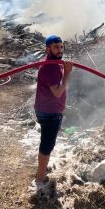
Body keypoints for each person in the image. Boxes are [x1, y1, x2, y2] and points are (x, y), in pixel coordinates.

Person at [33, 35, 73, 189]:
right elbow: (57, 92)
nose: (60, 50)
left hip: (48, 109)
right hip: (49, 112)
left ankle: (40, 172)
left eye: (61, 47)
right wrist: (67, 72)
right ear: (47, 49)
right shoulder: (50, 67)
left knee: (47, 142)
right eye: (56, 47)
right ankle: (40, 178)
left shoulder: (54, 63)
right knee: (47, 145)